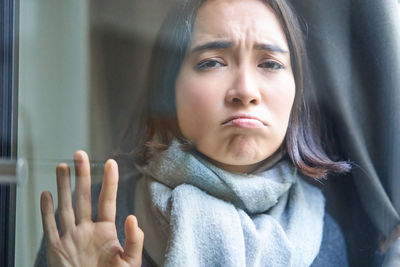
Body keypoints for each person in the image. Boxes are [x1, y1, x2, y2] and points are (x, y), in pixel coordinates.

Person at [35, 0, 354, 266]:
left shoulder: (324, 235)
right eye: (213, 62)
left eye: (270, 64)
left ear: (297, 93)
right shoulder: (93, 221)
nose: (244, 91)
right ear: (168, 87)